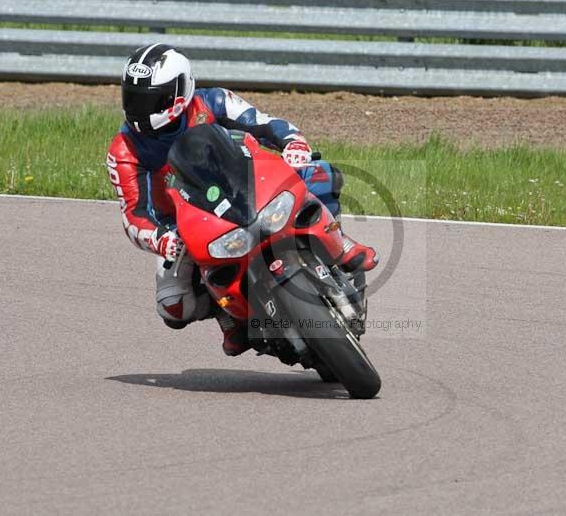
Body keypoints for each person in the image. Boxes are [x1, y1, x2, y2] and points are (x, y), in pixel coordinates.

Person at [106, 43, 378, 356]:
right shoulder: (124, 149)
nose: (141, 108)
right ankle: (230, 318)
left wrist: (293, 143)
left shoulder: (214, 101)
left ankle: (339, 243)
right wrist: (161, 239)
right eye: (134, 98)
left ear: (178, 93)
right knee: (173, 306)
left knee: (320, 174)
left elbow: (265, 123)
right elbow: (133, 215)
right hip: (187, 223)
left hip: (246, 184)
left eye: (151, 99)